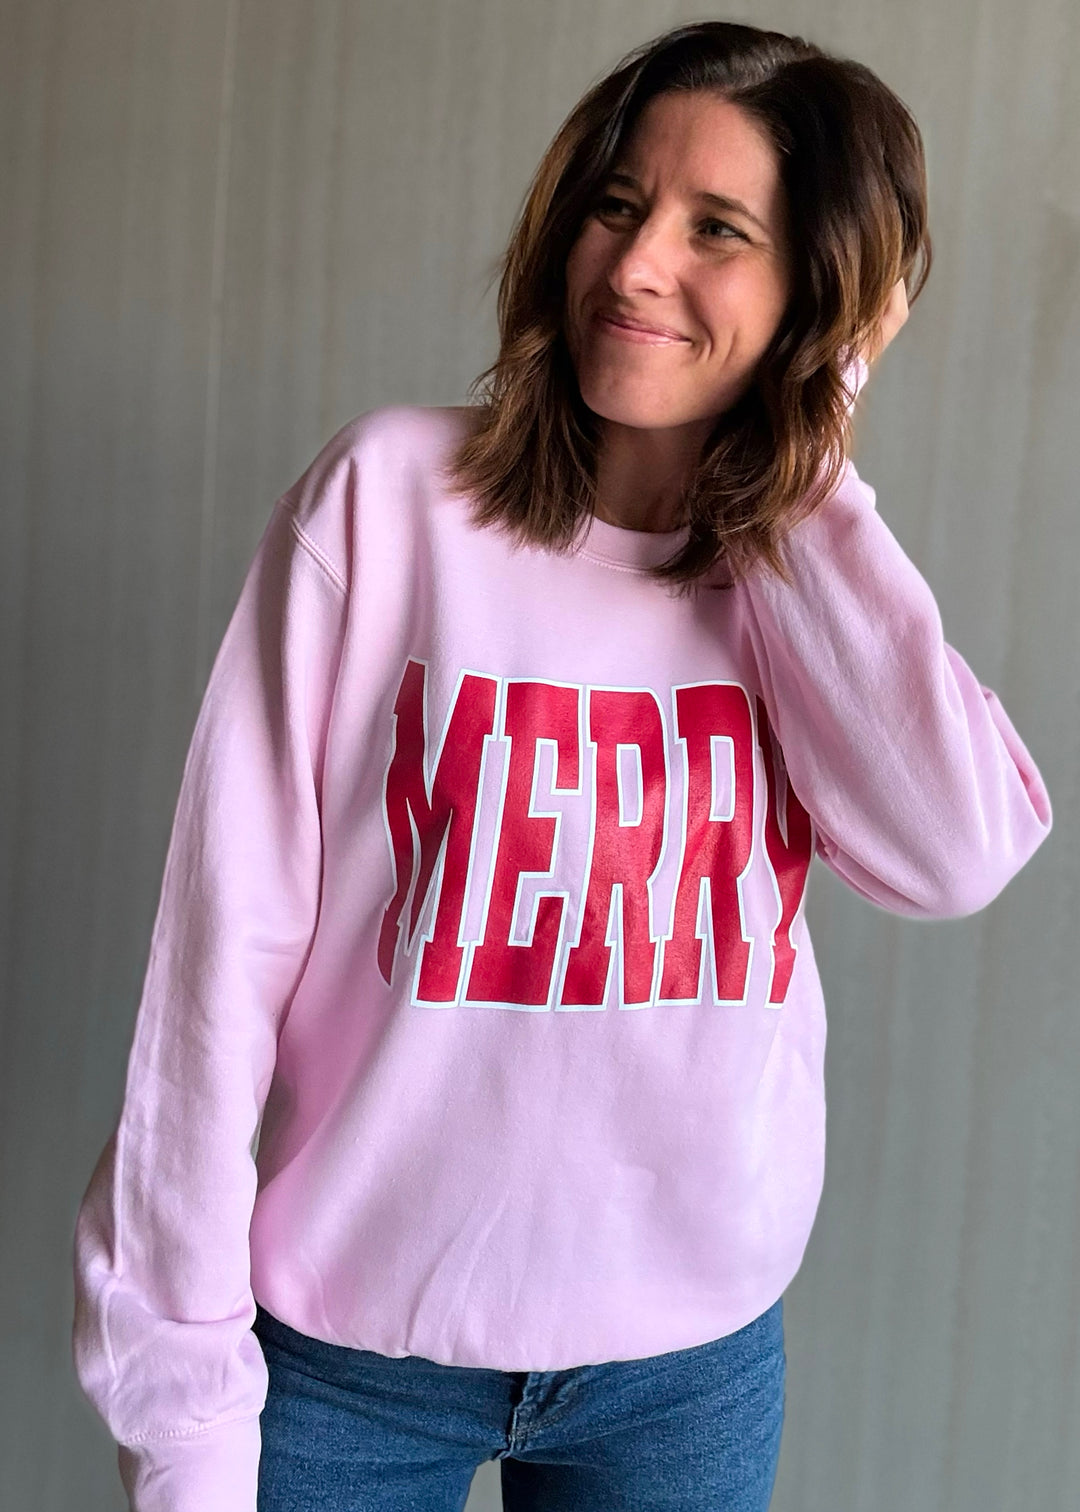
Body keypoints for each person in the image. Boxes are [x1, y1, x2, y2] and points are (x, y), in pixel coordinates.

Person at [71, 19, 1053, 1512]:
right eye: (618, 204)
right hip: (345, 1359)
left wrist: (804, 459)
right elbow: (213, 978)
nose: (637, 265)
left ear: (819, 294)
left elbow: (958, 849)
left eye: (717, 230)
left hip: (684, 1375)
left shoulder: (804, 584)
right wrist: (182, 1417)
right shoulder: (386, 505)